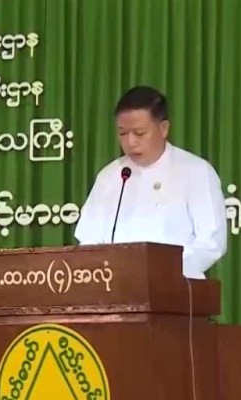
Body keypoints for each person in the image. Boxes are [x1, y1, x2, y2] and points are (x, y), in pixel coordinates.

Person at [73, 86, 227, 279]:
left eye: (139, 133)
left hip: (175, 286)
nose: (130, 142)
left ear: (164, 129)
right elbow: (89, 240)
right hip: (114, 286)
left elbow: (210, 242)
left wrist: (164, 271)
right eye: (122, 133)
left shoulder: (195, 171)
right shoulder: (110, 176)